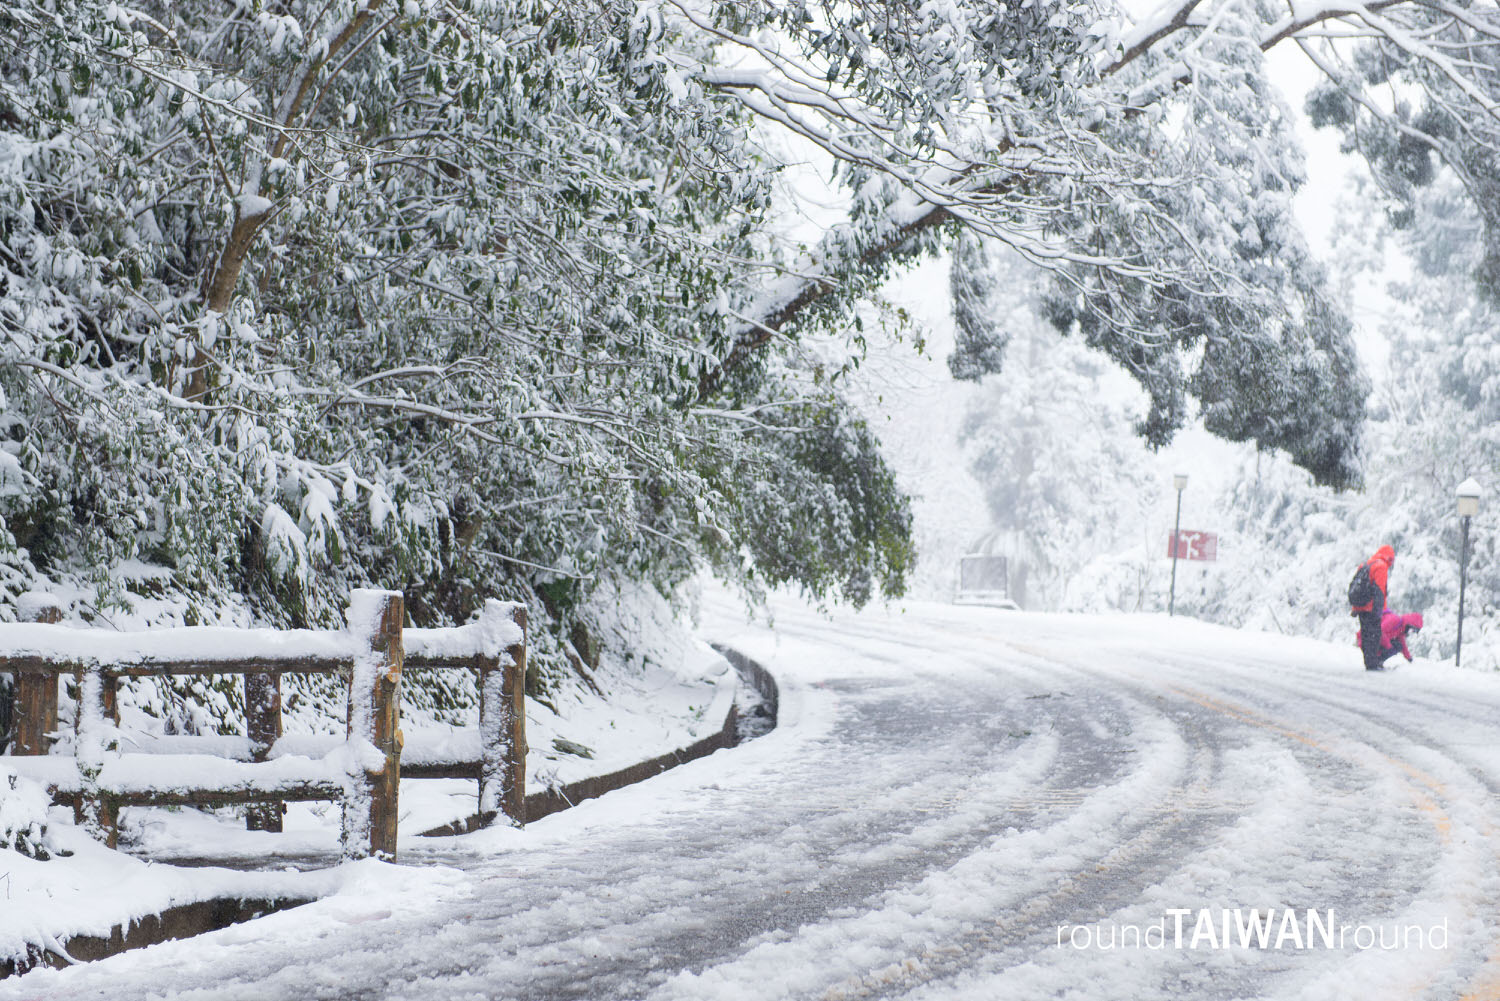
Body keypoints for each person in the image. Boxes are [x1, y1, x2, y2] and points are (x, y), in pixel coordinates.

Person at [1349, 544, 1396, 671]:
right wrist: (1379, 610)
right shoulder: (1381, 566)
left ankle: (1369, 662)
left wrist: (1355, 607)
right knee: (1374, 635)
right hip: (1370, 608)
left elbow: (1356, 585)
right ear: (1389, 558)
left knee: (1365, 634)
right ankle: (1372, 663)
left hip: (1361, 607)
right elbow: (1379, 590)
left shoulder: (1366, 564)